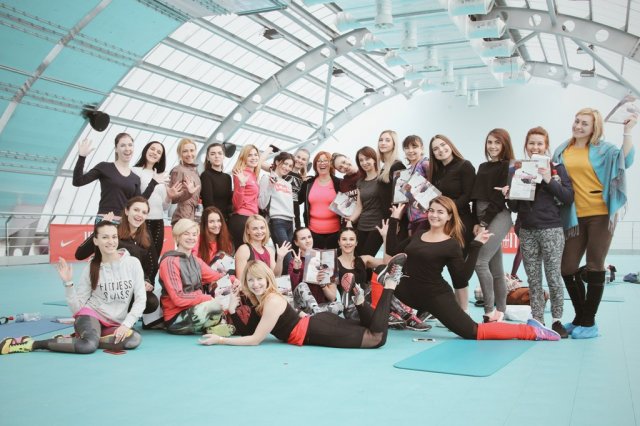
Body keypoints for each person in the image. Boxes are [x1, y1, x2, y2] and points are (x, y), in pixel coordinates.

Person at [381, 196, 560, 342]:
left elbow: (461, 278)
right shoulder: (418, 235)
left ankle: (531, 331)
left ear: (449, 217)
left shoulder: (450, 244)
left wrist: (475, 246)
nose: (434, 215)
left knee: (473, 332)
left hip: (436, 297)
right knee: (377, 270)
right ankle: (383, 321)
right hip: (411, 293)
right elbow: (392, 250)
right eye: (432, 210)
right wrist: (394, 219)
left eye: (440, 212)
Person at [552, 108, 637, 339]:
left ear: (594, 128)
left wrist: (628, 131)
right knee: (567, 267)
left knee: (594, 264)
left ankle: (589, 322)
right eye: (577, 121)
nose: (578, 126)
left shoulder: (605, 149)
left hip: (600, 214)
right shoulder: (562, 150)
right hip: (574, 216)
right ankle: (581, 317)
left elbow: (626, 160)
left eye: (584, 123)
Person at [1, 221, 145, 355]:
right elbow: (78, 309)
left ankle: (79, 339)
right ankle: (32, 344)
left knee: (133, 339)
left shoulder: (132, 263)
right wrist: (68, 283)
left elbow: (140, 299)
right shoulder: (92, 267)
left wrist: (126, 325)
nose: (111, 241)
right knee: (88, 346)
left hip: (114, 323)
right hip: (90, 316)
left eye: (114, 237)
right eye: (105, 237)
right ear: (96, 240)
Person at [198, 256, 405, 348]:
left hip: (314, 330)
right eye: (251, 280)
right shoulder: (259, 299)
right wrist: (233, 307)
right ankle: (359, 302)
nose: (255, 284)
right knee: (371, 329)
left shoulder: (271, 301)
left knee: (376, 338)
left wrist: (221, 341)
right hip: (316, 323)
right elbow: (247, 330)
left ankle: (389, 284)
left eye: (259, 279)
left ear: (268, 279)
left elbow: (255, 339)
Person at [508, 127, 574, 338]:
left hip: (552, 229)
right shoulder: (517, 169)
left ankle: (557, 320)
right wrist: (511, 193)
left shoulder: (557, 169)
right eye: (531, 143)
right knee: (533, 279)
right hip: (527, 230)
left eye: (539, 143)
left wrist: (547, 179)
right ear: (526, 146)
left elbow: (568, 197)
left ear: (546, 146)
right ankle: (538, 319)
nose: (535, 147)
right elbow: (514, 207)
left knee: (554, 276)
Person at [74, 196, 160, 316]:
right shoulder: (113, 230)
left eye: (144, 212)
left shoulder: (146, 234)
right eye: (136, 210)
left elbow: (152, 264)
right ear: (127, 211)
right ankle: (104, 311)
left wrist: (146, 281)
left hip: (131, 285)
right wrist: (100, 228)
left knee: (151, 302)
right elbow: (80, 254)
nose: (139, 215)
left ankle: (124, 313)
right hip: (109, 285)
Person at [158, 219, 232, 336]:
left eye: (194, 234)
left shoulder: (196, 261)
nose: (191, 238)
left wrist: (234, 280)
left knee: (229, 292)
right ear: (177, 236)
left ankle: (211, 328)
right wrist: (207, 298)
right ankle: (213, 325)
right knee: (214, 305)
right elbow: (178, 297)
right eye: (186, 234)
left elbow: (216, 277)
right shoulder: (169, 262)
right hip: (175, 318)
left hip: (197, 308)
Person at [428, 134, 476, 311]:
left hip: (461, 223)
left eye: (443, 145)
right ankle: (444, 307)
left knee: (458, 269)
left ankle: (463, 311)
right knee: (437, 266)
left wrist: (448, 209)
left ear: (450, 144)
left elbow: (468, 195)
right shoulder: (436, 172)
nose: (441, 150)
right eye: (436, 149)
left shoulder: (465, 166)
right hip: (442, 224)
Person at [470, 129, 514, 323]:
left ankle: (489, 312)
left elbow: (498, 199)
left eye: (497, 142)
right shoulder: (482, 166)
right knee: (496, 269)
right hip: (482, 217)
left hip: (498, 216)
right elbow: (476, 197)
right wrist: (476, 221)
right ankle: (501, 311)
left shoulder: (508, 166)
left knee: (480, 262)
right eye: (490, 142)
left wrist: (483, 223)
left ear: (505, 145)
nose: (493, 146)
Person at [72, 133, 161, 221]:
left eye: (130, 145)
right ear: (116, 149)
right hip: (105, 220)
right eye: (122, 145)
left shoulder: (135, 178)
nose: (127, 149)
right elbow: (78, 181)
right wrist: (82, 157)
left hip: (124, 223)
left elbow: (140, 202)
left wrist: (153, 183)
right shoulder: (104, 167)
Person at [133, 141, 180, 266]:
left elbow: (164, 207)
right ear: (146, 150)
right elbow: (136, 200)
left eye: (159, 152)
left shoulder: (162, 176)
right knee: (148, 259)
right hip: (143, 221)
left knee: (155, 259)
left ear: (160, 158)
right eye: (152, 149)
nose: (155, 153)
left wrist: (169, 197)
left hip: (159, 222)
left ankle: (150, 280)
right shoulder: (135, 171)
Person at [288, 227, 342, 315]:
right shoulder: (293, 262)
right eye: (303, 238)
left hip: (321, 305)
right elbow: (294, 290)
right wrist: (296, 270)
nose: (308, 241)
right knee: (302, 285)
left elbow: (332, 298)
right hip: (303, 307)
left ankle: (315, 314)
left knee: (339, 306)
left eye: (309, 237)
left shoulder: (325, 256)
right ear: (296, 242)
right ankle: (318, 315)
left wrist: (323, 284)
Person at [259, 151, 295, 269]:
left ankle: (282, 279)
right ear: (277, 162)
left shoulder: (288, 184)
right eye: (285, 163)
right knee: (288, 258)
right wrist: (270, 186)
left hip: (290, 222)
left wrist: (293, 225)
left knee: (284, 258)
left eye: (290, 166)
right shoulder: (266, 178)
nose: (287, 168)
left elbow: (290, 207)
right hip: (277, 221)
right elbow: (261, 204)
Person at [299, 151, 342, 249]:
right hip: (312, 233)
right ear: (315, 165)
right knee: (313, 259)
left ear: (331, 164)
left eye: (325, 160)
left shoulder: (339, 183)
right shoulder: (308, 183)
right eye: (319, 161)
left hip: (336, 233)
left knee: (333, 259)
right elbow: (298, 200)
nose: (322, 163)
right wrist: (301, 180)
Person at [347, 146, 384, 256]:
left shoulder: (383, 177)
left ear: (374, 159)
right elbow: (359, 207)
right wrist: (350, 221)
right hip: (362, 225)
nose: (364, 163)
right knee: (357, 257)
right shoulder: (360, 182)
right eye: (361, 160)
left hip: (377, 226)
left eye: (367, 159)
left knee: (366, 257)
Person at [234, 214, 291, 283]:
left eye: (262, 228)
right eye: (255, 228)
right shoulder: (243, 250)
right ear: (248, 231)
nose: (259, 231)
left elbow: (276, 276)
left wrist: (280, 258)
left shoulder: (269, 250)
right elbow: (240, 281)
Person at [229, 144, 261, 248]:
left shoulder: (253, 175)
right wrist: (242, 184)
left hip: (251, 218)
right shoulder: (240, 173)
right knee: (244, 254)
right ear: (244, 158)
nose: (254, 157)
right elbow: (236, 204)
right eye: (249, 155)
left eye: (256, 155)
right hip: (242, 219)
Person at [401, 135, 431, 235]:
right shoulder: (407, 171)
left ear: (421, 148)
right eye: (407, 148)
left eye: (414, 147)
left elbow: (435, 190)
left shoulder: (425, 164)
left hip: (426, 217)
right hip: (412, 219)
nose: (410, 150)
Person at [169, 138, 201, 225]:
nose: (189, 154)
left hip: (195, 216)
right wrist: (188, 193)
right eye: (185, 151)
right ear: (180, 153)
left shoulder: (195, 171)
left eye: (192, 150)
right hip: (183, 217)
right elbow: (173, 199)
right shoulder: (178, 170)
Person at [200, 142, 233, 221]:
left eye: (219, 153)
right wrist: (217, 220)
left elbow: (229, 202)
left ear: (223, 156)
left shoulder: (227, 177)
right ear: (208, 158)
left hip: (226, 219)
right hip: (213, 220)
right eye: (213, 154)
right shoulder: (206, 175)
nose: (217, 156)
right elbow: (208, 203)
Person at [284, 148, 311, 229]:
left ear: (306, 163)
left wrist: (305, 183)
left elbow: (300, 200)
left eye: (303, 159)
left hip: (294, 214)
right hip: (279, 212)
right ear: (293, 156)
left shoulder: (302, 179)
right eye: (298, 157)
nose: (299, 160)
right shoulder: (283, 171)